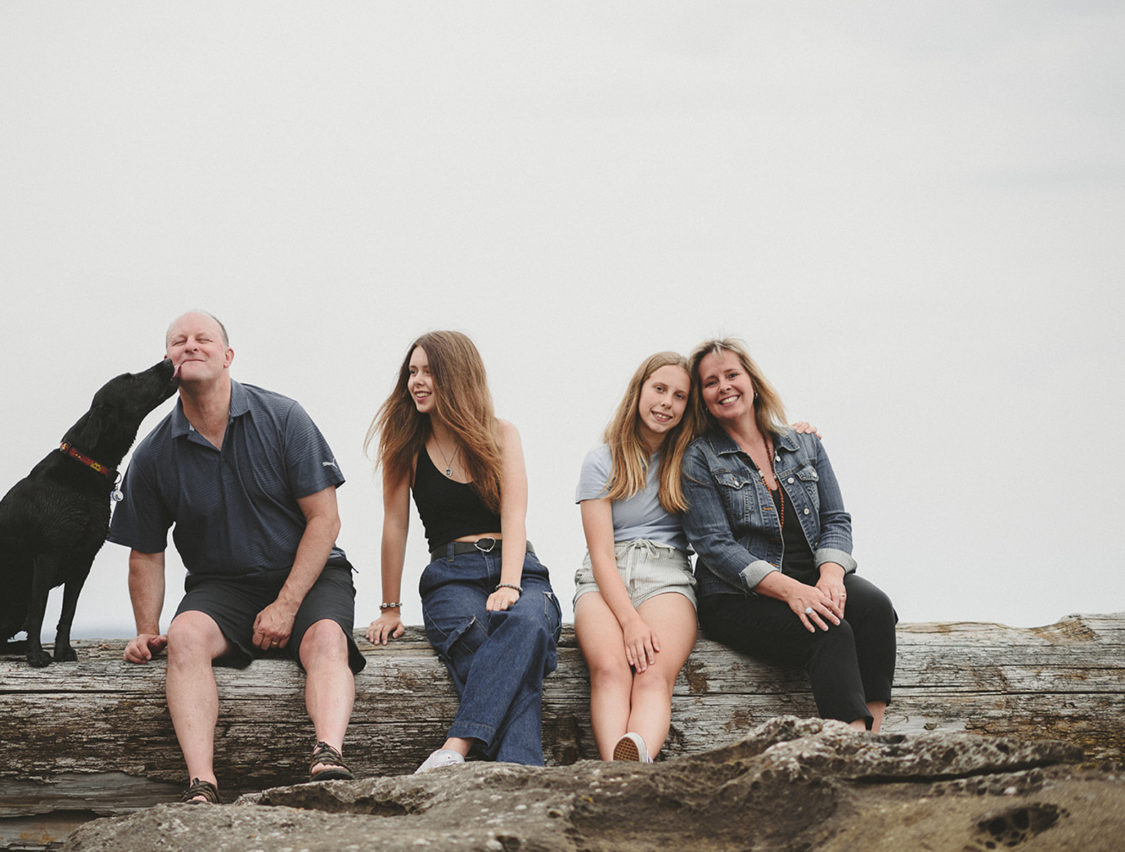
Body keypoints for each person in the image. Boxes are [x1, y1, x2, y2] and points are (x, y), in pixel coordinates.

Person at [110, 310, 365, 804]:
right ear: (167, 363)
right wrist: (146, 629)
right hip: (221, 585)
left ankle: (329, 754)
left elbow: (325, 520)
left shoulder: (284, 416)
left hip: (307, 576)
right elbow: (146, 552)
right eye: (178, 341)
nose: (190, 346)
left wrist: (287, 604)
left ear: (227, 356)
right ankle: (201, 783)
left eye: (203, 339)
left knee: (327, 639)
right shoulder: (153, 453)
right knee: (184, 635)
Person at [364, 330, 561, 772]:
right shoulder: (407, 447)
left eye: (429, 372)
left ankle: (455, 748)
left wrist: (511, 582)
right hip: (452, 575)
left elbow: (514, 515)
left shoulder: (501, 434)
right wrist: (390, 607)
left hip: (519, 568)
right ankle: (524, 773)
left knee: (528, 623)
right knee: (485, 644)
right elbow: (395, 526)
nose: (416, 381)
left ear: (457, 377)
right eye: (412, 372)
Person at [680, 338, 896, 732]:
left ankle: (870, 740)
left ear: (753, 381)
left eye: (732, 375)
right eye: (711, 382)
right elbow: (715, 546)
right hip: (736, 596)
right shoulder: (698, 458)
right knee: (828, 630)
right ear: (703, 399)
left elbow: (836, 519)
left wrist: (830, 576)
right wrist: (792, 591)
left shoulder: (804, 444)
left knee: (875, 608)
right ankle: (846, 744)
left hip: (812, 577)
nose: (724, 386)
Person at [573, 352, 699, 763]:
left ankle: (635, 759)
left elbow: (747, 437)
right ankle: (617, 771)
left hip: (667, 575)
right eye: (659, 389)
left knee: (652, 675)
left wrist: (796, 431)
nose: (666, 403)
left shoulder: (693, 458)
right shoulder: (601, 460)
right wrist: (630, 622)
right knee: (609, 670)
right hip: (604, 577)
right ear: (639, 391)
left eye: (679, 396)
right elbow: (601, 555)